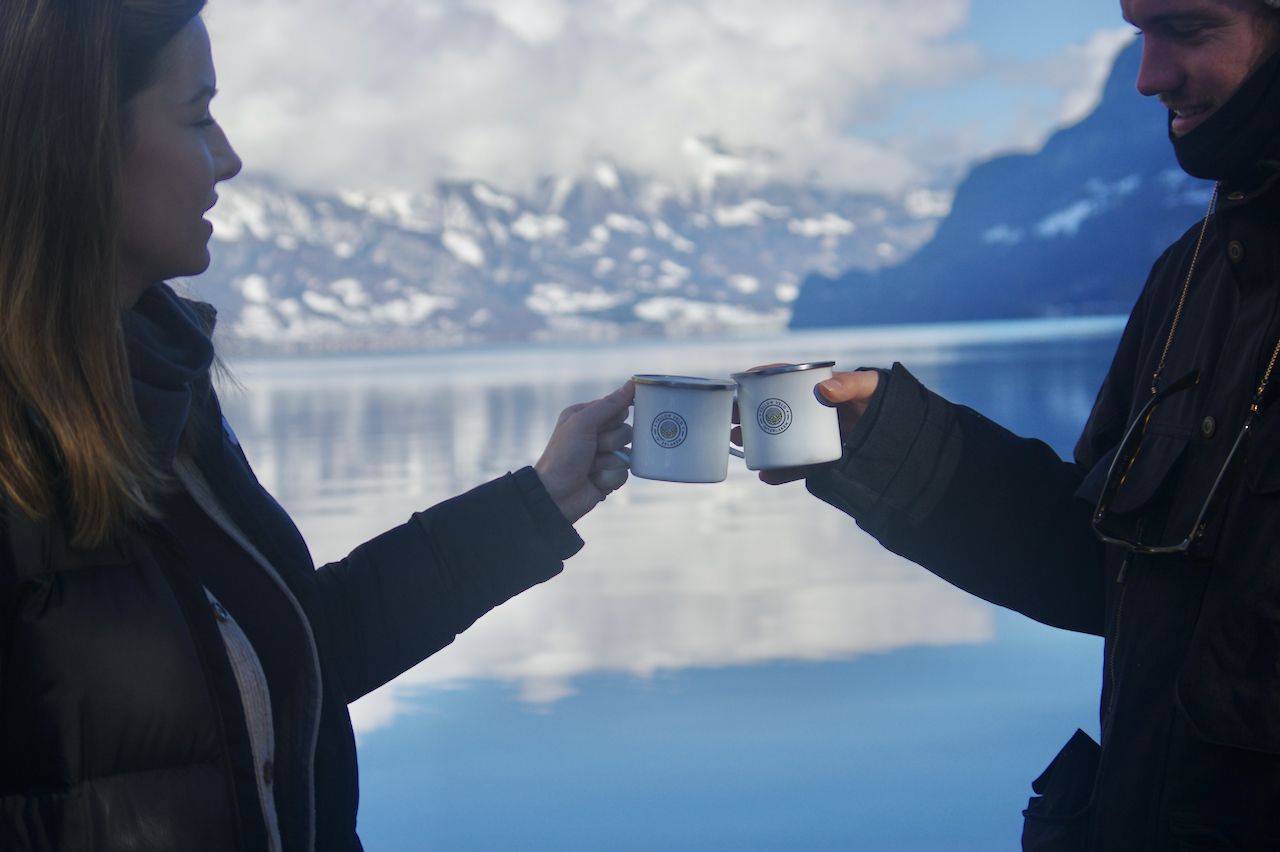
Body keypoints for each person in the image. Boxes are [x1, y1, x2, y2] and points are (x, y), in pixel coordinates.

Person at [0, 1, 632, 849]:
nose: (229, 158)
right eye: (197, 117)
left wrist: (541, 501)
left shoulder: (164, 392)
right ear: (75, 148)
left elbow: (294, 657)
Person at [755, 0, 1280, 847]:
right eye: (1138, 34)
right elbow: (1102, 570)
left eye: (1187, 30)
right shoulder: (1190, 279)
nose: (1148, 75)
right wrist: (884, 443)